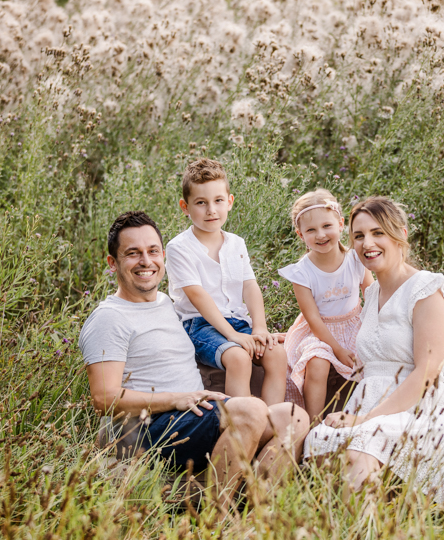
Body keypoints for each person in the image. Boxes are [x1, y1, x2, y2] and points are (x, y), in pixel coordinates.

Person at [80, 211, 309, 505]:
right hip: (156, 427)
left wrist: (258, 337)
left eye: (152, 251)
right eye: (132, 254)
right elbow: (103, 397)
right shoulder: (109, 318)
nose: (146, 261)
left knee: (295, 417)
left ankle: (255, 511)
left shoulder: (166, 304)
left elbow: (207, 335)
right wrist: (175, 399)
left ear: (163, 255)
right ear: (113, 263)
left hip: (196, 415)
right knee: (251, 410)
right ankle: (219, 516)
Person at [304, 197, 444, 504]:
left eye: (378, 233)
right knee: (318, 441)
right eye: (359, 236)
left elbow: (427, 374)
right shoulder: (373, 292)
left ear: (401, 235)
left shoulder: (426, 290)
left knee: (360, 444)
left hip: (419, 410)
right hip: (366, 406)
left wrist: (366, 419)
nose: (368, 243)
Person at [165, 158, 287, 405]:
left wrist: (259, 327)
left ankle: (273, 419)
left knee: (277, 354)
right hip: (198, 325)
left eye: (218, 201)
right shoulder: (179, 248)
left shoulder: (236, 243)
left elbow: (250, 286)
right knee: (239, 358)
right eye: (201, 203)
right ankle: (242, 422)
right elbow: (198, 297)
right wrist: (232, 335)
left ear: (229, 202)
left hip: (238, 320)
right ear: (185, 206)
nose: (211, 210)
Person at [278, 189, 373, 423]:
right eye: (311, 230)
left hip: (354, 324)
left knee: (371, 357)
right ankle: (313, 423)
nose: (320, 235)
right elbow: (313, 319)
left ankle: (364, 416)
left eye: (327, 226)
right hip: (317, 333)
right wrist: (337, 349)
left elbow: (370, 296)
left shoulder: (355, 260)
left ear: (341, 224)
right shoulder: (302, 273)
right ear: (301, 235)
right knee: (317, 362)